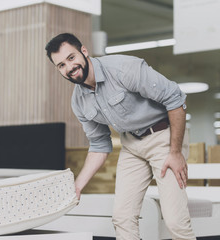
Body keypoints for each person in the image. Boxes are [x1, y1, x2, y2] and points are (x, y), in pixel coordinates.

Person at [45, 33, 196, 240]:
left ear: (84, 51)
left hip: (163, 137)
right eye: (61, 65)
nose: (69, 67)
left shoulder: (123, 68)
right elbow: (99, 144)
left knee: (175, 221)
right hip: (132, 145)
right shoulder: (78, 102)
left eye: (71, 58)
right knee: (122, 218)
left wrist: (176, 152)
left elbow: (175, 98)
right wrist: (77, 186)